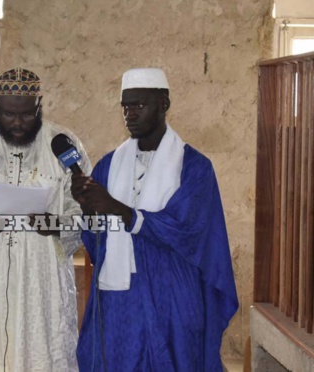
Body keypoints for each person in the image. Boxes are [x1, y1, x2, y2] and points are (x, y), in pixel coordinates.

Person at [72, 68, 238, 371]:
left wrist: (118, 209)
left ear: (164, 103)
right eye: (124, 106)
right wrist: (87, 209)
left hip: (171, 294)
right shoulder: (108, 165)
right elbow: (97, 242)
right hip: (119, 298)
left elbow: (187, 230)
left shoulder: (194, 168)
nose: (129, 114)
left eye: (138, 105)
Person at [0, 68, 92, 372]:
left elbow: (84, 211)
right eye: (9, 114)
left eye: (26, 115)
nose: (17, 123)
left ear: (39, 104)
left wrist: (56, 225)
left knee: (42, 355)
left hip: (43, 279)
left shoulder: (63, 145)